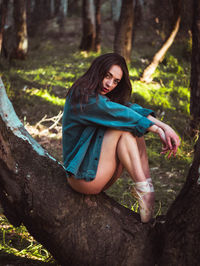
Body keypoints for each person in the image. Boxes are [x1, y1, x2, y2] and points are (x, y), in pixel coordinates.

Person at [62, 53, 180, 223]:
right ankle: (144, 190)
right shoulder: (81, 95)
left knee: (129, 126)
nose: (109, 84)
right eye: (107, 76)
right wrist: (156, 129)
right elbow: (119, 113)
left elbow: (128, 109)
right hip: (82, 178)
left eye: (116, 81)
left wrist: (165, 127)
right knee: (124, 127)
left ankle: (147, 188)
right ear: (98, 70)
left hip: (100, 175)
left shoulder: (104, 97)